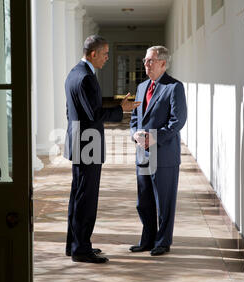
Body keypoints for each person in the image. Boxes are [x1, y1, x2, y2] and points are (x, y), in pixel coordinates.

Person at [64, 35, 140, 263]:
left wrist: (116, 106)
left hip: (79, 141)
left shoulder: (74, 73)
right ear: (93, 54)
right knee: (86, 199)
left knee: (78, 196)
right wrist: (121, 109)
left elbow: (76, 112)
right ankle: (81, 250)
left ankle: (75, 245)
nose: (108, 57)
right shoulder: (86, 78)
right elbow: (94, 115)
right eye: (105, 53)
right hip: (88, 146)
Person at [129, 46, 187, 256]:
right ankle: (147, 239)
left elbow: (177, 122)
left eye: (150, 60)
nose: (146, 64)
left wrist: (153, 138)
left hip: (163, 155)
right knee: (143, 201)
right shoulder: (142, 87)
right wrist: (135, 134)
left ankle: (162, 242)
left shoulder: (174, 87)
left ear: (163, 63)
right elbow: (135, 118)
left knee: (164, 202)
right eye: (145, 60)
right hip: (143, 155)